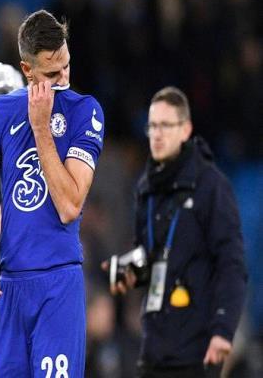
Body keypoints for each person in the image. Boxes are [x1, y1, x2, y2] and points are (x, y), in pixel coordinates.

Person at [0, 9, 105, 377]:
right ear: (27, 70)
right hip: (10, 288)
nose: (63, 78)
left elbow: (70, 206)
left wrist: (42, 130)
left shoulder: (85, 112)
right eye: (52, 74)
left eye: (66, 66)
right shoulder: (1, 112)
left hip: (58, 286)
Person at [105, 86, 247, 378]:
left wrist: (223, 329)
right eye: (152, 126)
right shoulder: (147, 187)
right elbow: (154, 257)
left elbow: (231, 263)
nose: (157, 135)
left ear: (185, 130)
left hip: (198, 347)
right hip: (155, 347)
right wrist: (127, 270)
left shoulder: (211, 186)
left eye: (166, 126)